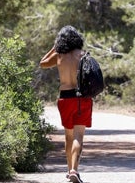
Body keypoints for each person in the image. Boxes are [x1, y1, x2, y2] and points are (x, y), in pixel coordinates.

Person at [40, 25, 92, 183]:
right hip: (82, 98)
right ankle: (75, 171)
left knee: (68, 136)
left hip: (65, 98)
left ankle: (70, 170)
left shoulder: (58, 56)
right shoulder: (82, 55)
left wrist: (54, 48)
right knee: (78, 136)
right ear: (77, 39)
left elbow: (42, 63)